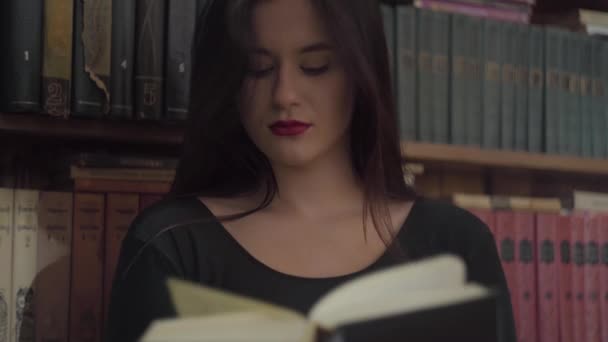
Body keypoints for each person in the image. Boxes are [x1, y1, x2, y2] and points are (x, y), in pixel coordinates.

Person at [105, 0, 516, 341]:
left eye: (316, 66)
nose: (284, 95)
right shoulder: (171, 246)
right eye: (258, 69)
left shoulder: (457, 244)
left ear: (361, 74)